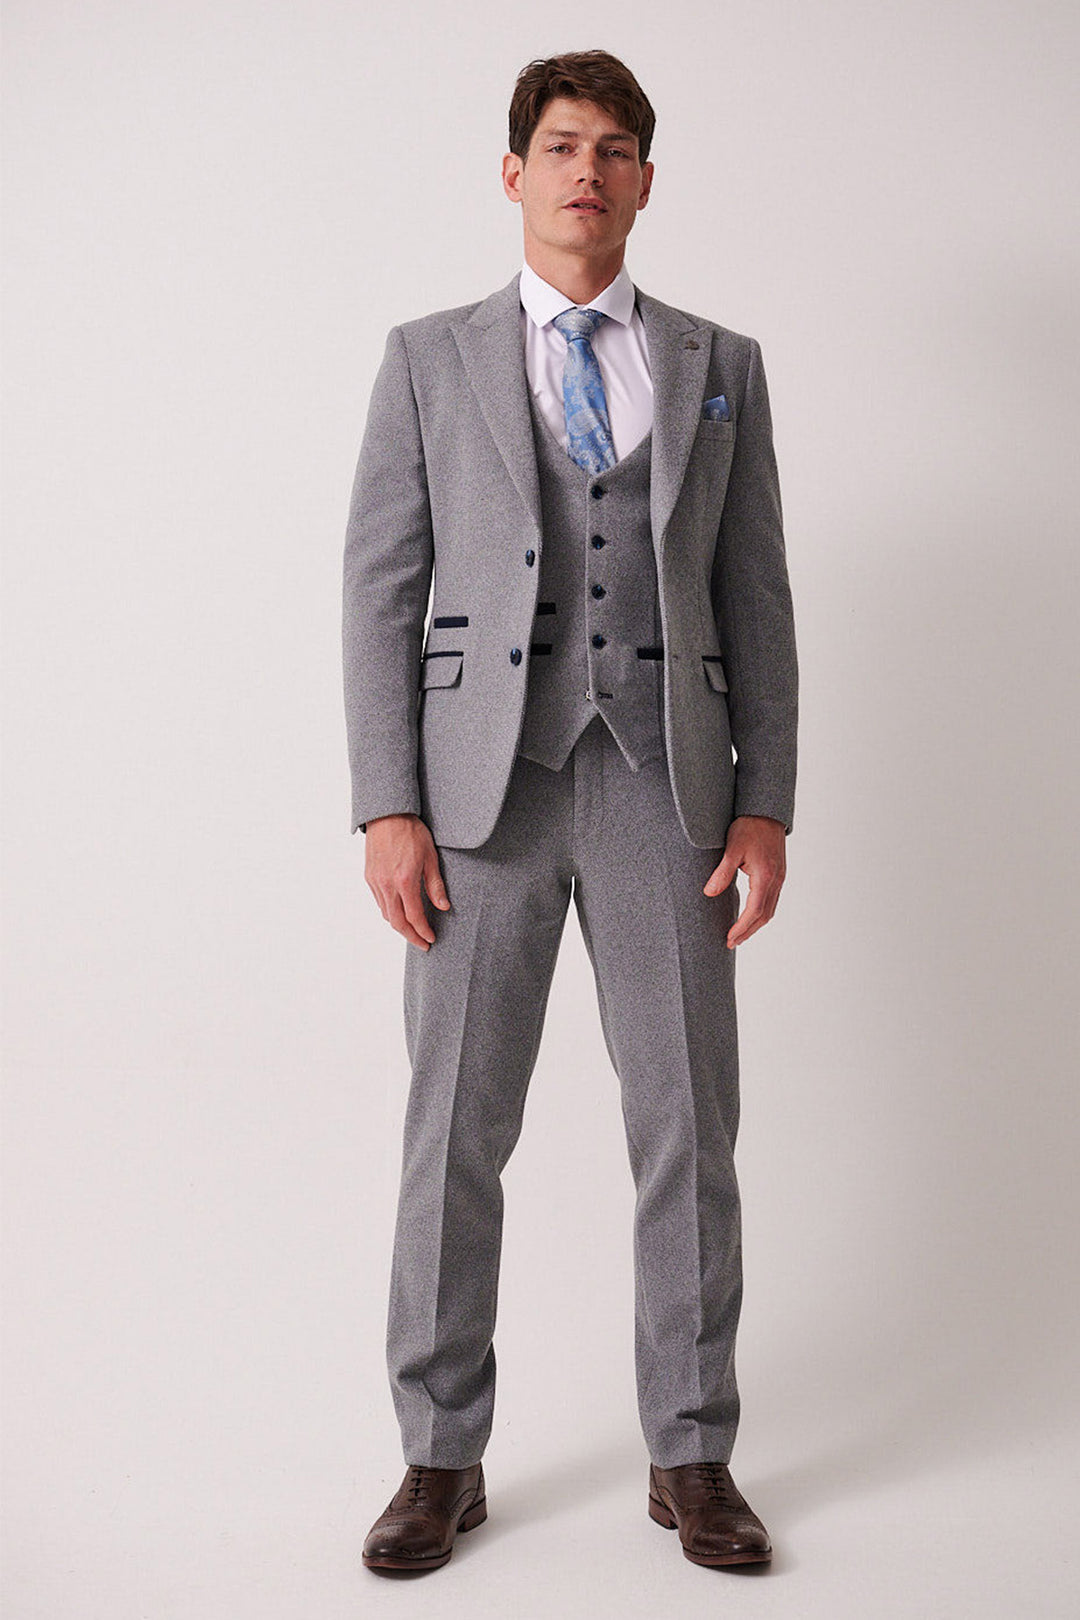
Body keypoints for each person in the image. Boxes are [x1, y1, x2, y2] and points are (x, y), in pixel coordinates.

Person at [341, 49, 797, 1574]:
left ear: (645, 182)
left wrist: (768, 802)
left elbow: (759, 598)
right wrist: (386, 804)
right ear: (514, 174)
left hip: (671, 786)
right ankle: (437, 1455)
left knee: (688, 1126)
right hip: (482, 795)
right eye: (557, 145)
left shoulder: (721, 359)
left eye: (612, 148)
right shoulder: (428, 358)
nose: (584, 170)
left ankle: (693, 1452)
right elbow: (380, 592)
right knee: (453, 1129)